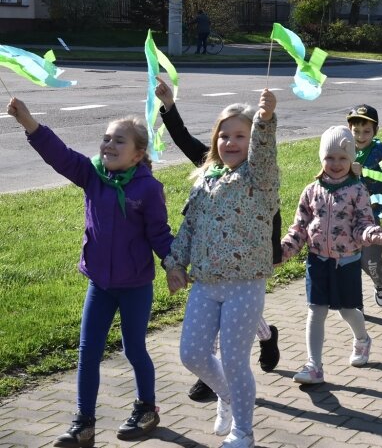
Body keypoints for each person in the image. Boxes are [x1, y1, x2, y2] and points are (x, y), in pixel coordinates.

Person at [6, 98, 173, 448]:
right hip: (100, 282)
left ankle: (147, 408)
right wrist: (30, 124)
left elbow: (159, 233)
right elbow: (61, 155)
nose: (109, 145)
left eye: (118, 141)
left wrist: (173, 265)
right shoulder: (93, 175)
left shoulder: (147, 189)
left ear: (138, 154)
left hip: (135, 285)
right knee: (87, 351)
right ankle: (84, 422)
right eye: (106, 138)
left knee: (134, 349)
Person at [163, 90, 279, 448]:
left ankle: (243, 431)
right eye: (224, 135)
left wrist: (264, 120)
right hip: (206, 283)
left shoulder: (260, 179)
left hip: (245, 284)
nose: (230, 141)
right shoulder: (206, 178)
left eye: (240, 135)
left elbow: (263, 154)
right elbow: (189, 227)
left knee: (233, 360)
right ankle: (227, 396)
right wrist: (174, 264)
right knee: (192, 354)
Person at [279, 126, 382, 384]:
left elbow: (363, 222)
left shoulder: (358, 190)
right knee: (316, 311)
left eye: (342, 158)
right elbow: (300, 227)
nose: (336, 164)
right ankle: (314, 366)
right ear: (321, 158)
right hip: (317, 261)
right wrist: (283, 250)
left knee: (348, 310)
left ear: (351, 160)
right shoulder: (311, 190)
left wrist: (371, 233)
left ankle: (362, 339)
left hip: (346, 262)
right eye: (330, 157)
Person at [346, 104, 382, 308]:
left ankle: (380, 283)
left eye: (367, 131)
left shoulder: (379, 152)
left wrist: (364, 175)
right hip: (345, 218)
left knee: (370, 262)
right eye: (356, 131)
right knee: (349, 264)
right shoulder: (343, 150)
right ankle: (356, 304)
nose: (361, 136)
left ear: (375, 131)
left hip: (370, 217)